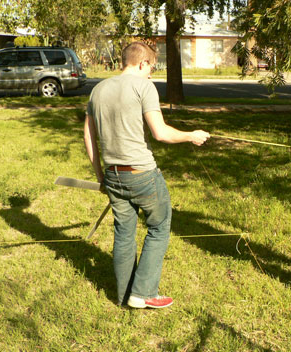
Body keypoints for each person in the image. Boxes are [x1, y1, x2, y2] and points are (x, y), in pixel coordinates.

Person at [84, 41, 210, 309]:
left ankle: (123, 295)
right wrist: (192, 136)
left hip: (113, 175)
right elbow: (160, 133)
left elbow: (89, 135)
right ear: (142, 63)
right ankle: (143, 293)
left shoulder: (98, 89)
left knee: (124, 233)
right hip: (142, 174)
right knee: (159, 226)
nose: (153, 72)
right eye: (152, 67)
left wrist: (100, 175)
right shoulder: (144, 86)